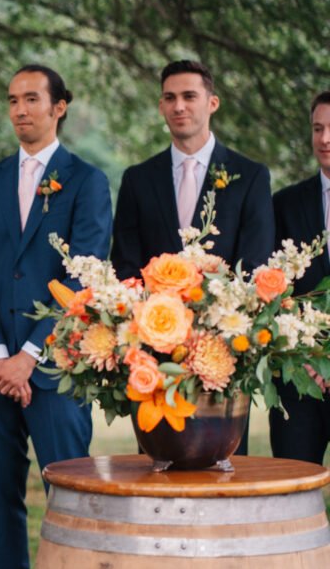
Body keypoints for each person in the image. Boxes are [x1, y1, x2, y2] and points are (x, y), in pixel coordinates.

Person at [0, 64, 112, 569]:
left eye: (31, 99)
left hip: (57, 370)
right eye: (12, 100)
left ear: (60, 107)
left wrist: (31, 354)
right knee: (1, 498)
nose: (19, 110)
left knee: (69, 498)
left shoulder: (87, 181)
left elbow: (86, 275)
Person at [110, 59, 275, 454]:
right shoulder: (137, 179)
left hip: (224, 360)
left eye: (189, 96)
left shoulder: (249, 176)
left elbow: (253, 266)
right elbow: (126, 267)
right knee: (157, 469)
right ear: (161, 106)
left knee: (223, 472)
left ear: (212, 102)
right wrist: (156, 335)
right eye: (170, 98)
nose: (179, 106)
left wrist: (215, 335)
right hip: (155, 359)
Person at [269, 90, 330, 465]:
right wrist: (306, 359)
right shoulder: (284, 204)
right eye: (317, 128)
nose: (325, 139)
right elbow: (271, 289)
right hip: (299, 381)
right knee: (293, 498)